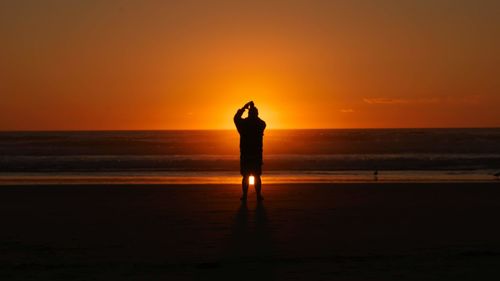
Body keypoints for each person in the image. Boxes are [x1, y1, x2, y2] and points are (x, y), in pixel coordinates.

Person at [234, 101, 266, 201]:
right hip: (256, 155)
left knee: (245, 176)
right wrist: (253, 109)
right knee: (257, 176)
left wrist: (244, 108)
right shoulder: (260, 124)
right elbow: (261, 122)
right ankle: (258, 196)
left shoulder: (243, 125)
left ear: (248, 114)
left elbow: (236, 118)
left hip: (246, 155)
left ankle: (245, 196)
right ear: (257, 114)